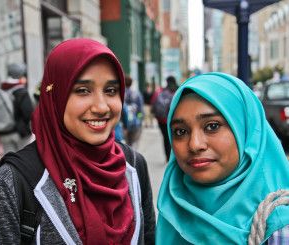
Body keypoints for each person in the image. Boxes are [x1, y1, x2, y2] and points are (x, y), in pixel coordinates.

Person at [0, 38, 155, 244]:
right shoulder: (12, 183)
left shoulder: (133, 166)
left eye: (111, 90)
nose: (102, 106)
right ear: (55, 97)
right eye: (83, 90)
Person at [156, 72, 289, 244]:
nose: (195, 145)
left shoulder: (279, 225)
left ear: (246, 131)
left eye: (212, 126)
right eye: (181, 131)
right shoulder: (173, 206)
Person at [0, 63, 34, 153]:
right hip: (20, 133)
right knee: (24, 158)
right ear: (19, 75)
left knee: (9, 159)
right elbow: (28, 113)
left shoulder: (1, 91)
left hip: (4, 132)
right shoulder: (21, 91)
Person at [151, 75, 178, 162]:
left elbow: (153, 103)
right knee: (174, 138)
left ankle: (167, 157)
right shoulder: (177, 90)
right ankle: (173, 157)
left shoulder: (160, 91)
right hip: (173, 120)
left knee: (165, 138)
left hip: (161, 120)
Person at [124, 75, 144, 148]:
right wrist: (139, 119)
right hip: (135, 122)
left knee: (124, 144)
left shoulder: (121, 93)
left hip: (124, 124)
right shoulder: (136, 94)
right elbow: (140, 110)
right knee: (134, 143)